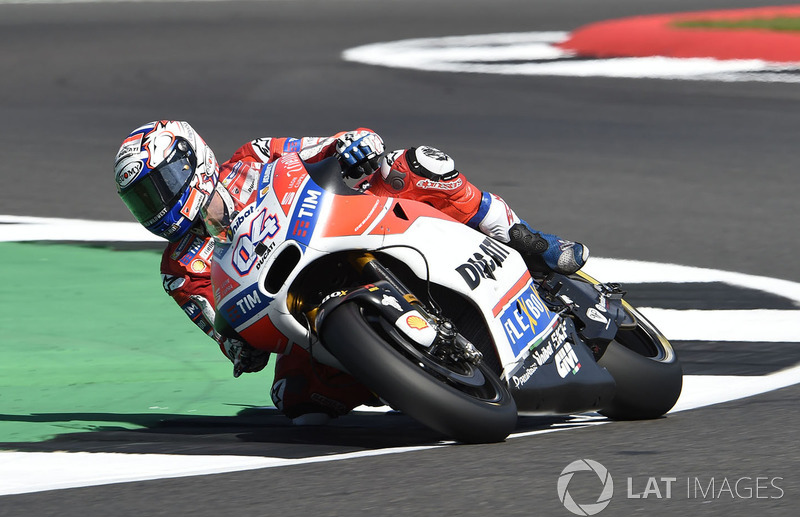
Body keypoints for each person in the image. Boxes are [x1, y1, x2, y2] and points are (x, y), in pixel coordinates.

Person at [114, 120, 589, 424]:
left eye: (160, 187)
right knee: (295, 401)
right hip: (300, 303)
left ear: (191, 160)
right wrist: (235, 344)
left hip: (351, 224)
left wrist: (356, 145)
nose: (156, 205)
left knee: (415, 165)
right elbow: (218, 325)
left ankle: (528, 241)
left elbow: (325, 147)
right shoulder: (180, 268)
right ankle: (408, 371)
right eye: (143, 200)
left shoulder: (252, 157)